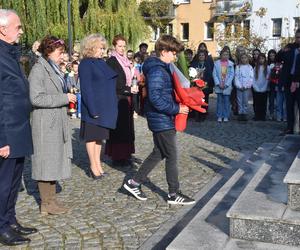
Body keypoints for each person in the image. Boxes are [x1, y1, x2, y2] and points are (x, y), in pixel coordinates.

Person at [123, 35, 195, 205]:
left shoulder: (161, 67)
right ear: (164, 52)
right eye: (173, 53)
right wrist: (177, 108)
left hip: (162, 118)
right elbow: (155, 98)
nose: (175, 57)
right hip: (161, 119)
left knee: (159, 153)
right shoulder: (157, 70)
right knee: (172, 155)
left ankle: (133, 183)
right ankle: (173, 194)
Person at [0, 9, 37, 246]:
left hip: (19, 126)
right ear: (2, 29)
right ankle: (1, 226)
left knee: (14, 181)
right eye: (18, 27)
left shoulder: (10, 53)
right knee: (3, 183)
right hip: (7, 131)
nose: (21, 31)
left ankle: (10, 219)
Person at [29, 35, 76, 215]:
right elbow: (36, 97)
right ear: (48, 52)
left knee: (52, 160)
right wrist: (64, 98)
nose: (62, 56)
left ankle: (50, 202)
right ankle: (47, 203)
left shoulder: (52, 68)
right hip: (44, 123)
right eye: (59, 52)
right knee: (45, 162)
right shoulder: (38, 70)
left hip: (54, 121)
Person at [79, 34, 118, 179]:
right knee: (92, 137)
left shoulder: (101, 62)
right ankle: (93, 166)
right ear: (91, 47)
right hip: (94, 108)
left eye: (103, 48)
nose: (102, 51)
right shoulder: (86, 64)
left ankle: (98, 165)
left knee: (100, 138)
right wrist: (93, 110)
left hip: (105, 107)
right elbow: (86, 88)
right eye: (100, 48)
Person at [105, 35, 138, 166]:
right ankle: (117, 156)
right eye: (119, 46)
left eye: (124, 46)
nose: (122, 48)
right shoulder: (112, 62)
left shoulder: (125, 61)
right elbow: (114, 83)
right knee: (119, 128)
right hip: (117, 98)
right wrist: (128, 89)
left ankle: (126, 153)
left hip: (126, 98)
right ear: (114, 46)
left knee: (127, 127)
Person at [277, 29, 300, 134]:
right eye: (297, 37)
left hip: (298, 80)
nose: (298, 39)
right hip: (288, 80)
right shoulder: (290, 47)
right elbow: (278, 58)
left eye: (299, 37)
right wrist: (282, 51)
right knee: (289, 105)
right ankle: (290, 127)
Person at [190, 50, 214, 121]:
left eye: (202, 55)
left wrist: (206, 82)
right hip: (196, 86)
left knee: (204, 101)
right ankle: (197, 115)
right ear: (198, 56)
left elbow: (209, 74)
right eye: (200, 55)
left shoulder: (207, 64)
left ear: (205, 57)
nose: (201, 57)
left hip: (205, 86)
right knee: (197, 101)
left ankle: (203, 114)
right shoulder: (194, 64)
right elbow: (191, 73)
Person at [213, 47, 235, 122]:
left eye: (227, 55)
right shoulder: (216, 63)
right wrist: (218, 84)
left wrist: (227, 84)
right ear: (221, 55)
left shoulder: (231, 64)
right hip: (219, 85)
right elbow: (214, 74)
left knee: (226, 102)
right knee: (219, 101)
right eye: (223, 54)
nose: (225, 56)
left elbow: (232, 75)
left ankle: (226, 116)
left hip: (226, 86)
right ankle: (219, 115)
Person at [234, 54, 254, 121]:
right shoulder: (238, 67)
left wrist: (246, 86)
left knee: (245, 101)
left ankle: (245, 113)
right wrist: (239, 86)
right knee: (239, 101)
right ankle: (240, 113)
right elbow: (236, 77)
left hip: (246, 88)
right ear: (240, 59)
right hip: (239, 87)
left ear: (247, 59)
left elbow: (251, 78)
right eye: (242, 58)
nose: (244, 59)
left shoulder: (250, 67)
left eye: (245, 58)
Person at [252, 53, 270, 121]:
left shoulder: (267, 68)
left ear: (265, 59)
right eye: (260, 59)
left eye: (262, 58)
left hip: (264, 89)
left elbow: (268, 79)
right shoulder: (255, 67)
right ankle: (257, 115)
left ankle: (263, 116)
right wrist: (255, 87)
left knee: (263, 103)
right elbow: (253, 78)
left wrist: (264, 87)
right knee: (257, 103)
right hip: (256, 88)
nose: (261, 60)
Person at [267, 49, 277, 120]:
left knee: (279, 101)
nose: (272, 57)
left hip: (277, 84)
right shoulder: (267, 64)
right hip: (271, 85)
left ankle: (278, 115)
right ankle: (271, 114)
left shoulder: (279, 63)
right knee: (271, 100)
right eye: (270, 56)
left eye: (273, 55)